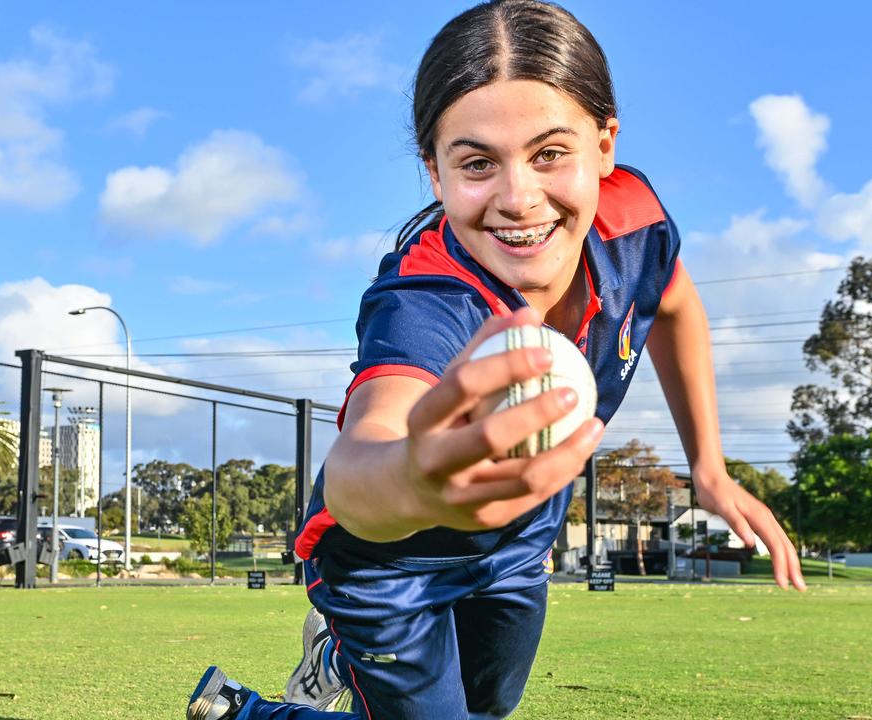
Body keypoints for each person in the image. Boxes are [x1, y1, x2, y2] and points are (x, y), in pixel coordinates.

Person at [188, 1, 805, 718]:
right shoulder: (424, 297)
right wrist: (415, 479)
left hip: (517, 540)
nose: (518, 199)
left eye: (550, 153)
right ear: (435, 172)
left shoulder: (632, 216)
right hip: (392, 564)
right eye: (477, 163)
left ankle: (260, 701)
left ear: (604, 145)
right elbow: (365, 454)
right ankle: (326, 656)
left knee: (484, 712)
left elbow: (673, 301)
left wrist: (710, 468)